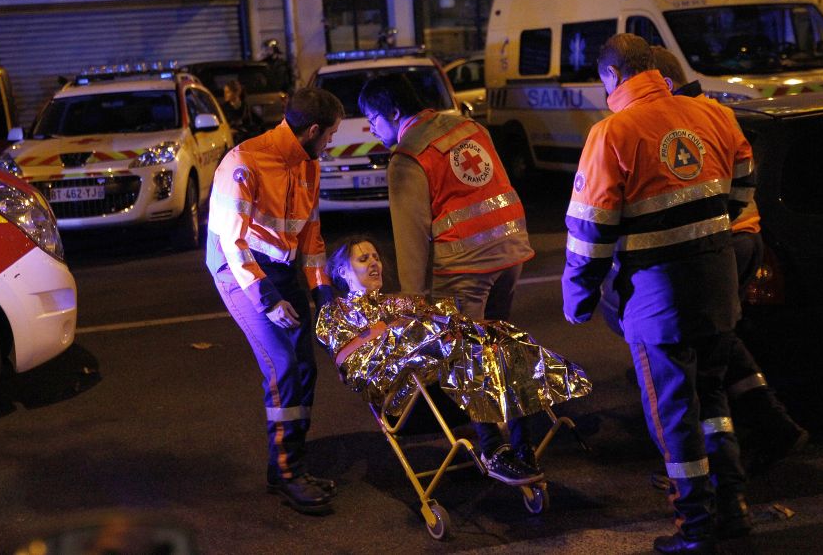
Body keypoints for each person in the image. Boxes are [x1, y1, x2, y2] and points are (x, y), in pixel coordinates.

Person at [562, 33, 755, 554]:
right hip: (717, 288)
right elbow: (741, 188)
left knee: (674, 414)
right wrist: (707, 233)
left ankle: (694, 526)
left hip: (657, 301)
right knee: (712, 401)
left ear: (610, 76)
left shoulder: (612, 133)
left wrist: (576, 300)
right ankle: (733, 506)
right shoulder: (713, 114)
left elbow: (590, 230)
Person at [357, 74, 541, 487]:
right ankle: (526, 444)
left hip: (465, 269)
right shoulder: (467, 127)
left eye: (372, 119)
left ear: (394, 114)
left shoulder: (408, 157)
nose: (371, 129)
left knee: (469, 359)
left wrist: (414, 303)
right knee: (502, 348)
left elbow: (411, 238)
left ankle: (493, 448)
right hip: (510, 253)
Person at [649, 46, 808, 474]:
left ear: (661, 83)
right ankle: (770, 424)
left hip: (723, 243)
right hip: (742, 234)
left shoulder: (680, 117)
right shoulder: (711, 111)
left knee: (707, 354)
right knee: (723, 341)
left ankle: (735, 453)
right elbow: (742, 176)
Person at [206, 87, 343, 515]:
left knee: (304, 367)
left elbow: (310, 236)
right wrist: (267, 298)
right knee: (282, 365)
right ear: (314, 130)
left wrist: (322, 293)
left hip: (279, 267)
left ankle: (290, 466)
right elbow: (233, 241)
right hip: (238, 268)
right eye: (331, 135)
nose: (333, 143)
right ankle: (287, 476)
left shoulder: (308, 164)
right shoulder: (244, 163)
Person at [315, 237, 591, 441]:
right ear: (342, 272)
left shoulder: (401, 302)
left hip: (446, 386)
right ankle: (493, 446)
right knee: (463, 348)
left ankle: (521, 449)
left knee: (502, 340)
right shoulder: (337, 314)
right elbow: (357, 370)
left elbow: (448, 322)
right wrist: (410, 336)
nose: (374, 263)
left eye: (375, 256)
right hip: (408, 400)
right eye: (363, 259)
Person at [222, 79, 263, 143]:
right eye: (224, 92)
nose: (225, 95)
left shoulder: (245, 107)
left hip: (244, 139)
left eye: (228, 92)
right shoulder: (223, 108)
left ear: (237, 92)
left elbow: (257, 122)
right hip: (232, 139)